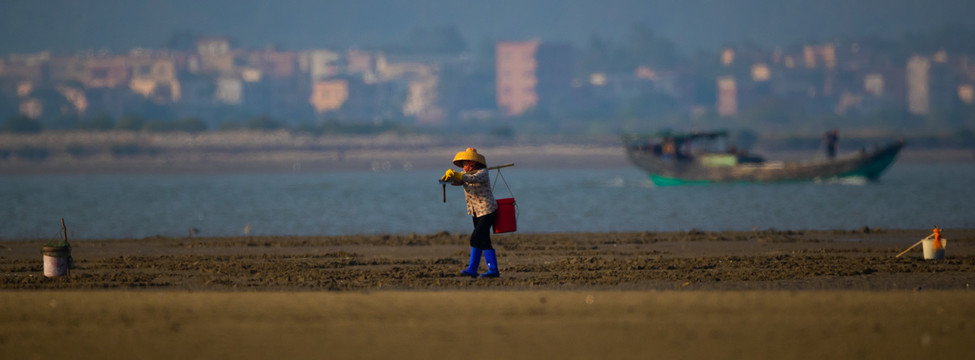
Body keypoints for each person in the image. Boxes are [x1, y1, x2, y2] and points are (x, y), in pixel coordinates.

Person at [441, 148, 500, 278]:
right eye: (462, 164)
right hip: (475, 211)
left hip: (487, 210)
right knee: (484, 241)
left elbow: (472, 179)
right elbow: (459, 181)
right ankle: (493, 270)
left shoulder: (483, 173)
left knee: (475, 238)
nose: (463, 166)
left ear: (473, 163)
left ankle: (472, 268)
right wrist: (450, 177)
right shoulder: (465, 174)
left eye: (465, 163)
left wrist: (459, 175)